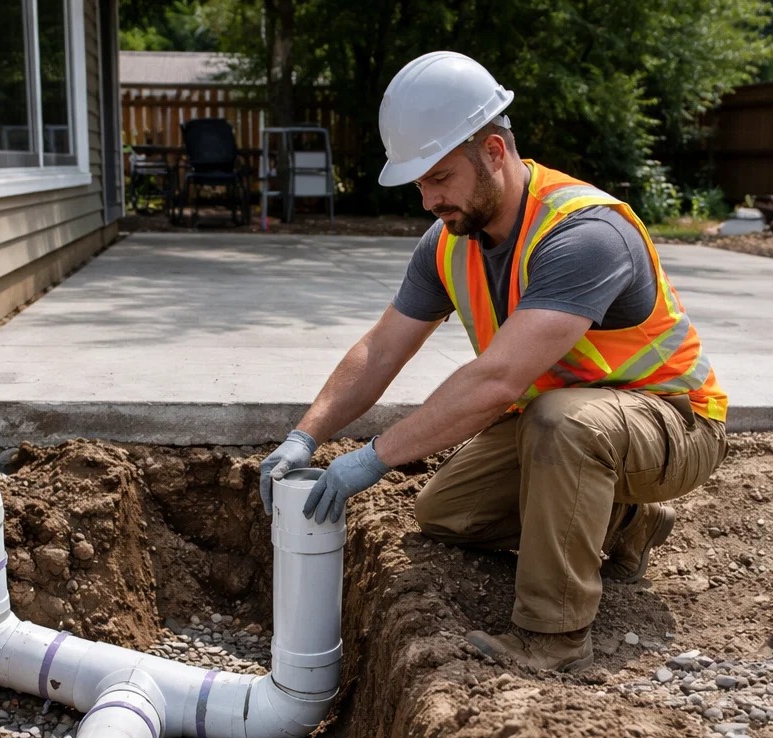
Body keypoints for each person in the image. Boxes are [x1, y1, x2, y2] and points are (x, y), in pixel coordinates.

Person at [258, 51, 728, 672]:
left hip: (672, 424)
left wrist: (371, 459)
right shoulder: (450, 241)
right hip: (560, 426)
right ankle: (628, 526)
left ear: (494, 152)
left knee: (565, 422)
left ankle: (553, 637)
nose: (428, 199)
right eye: (420, 183)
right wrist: (305, 435)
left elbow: (497, 379)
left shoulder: (582, 233)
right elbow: (381, 348)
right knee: (444, 514)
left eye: (440, 177)